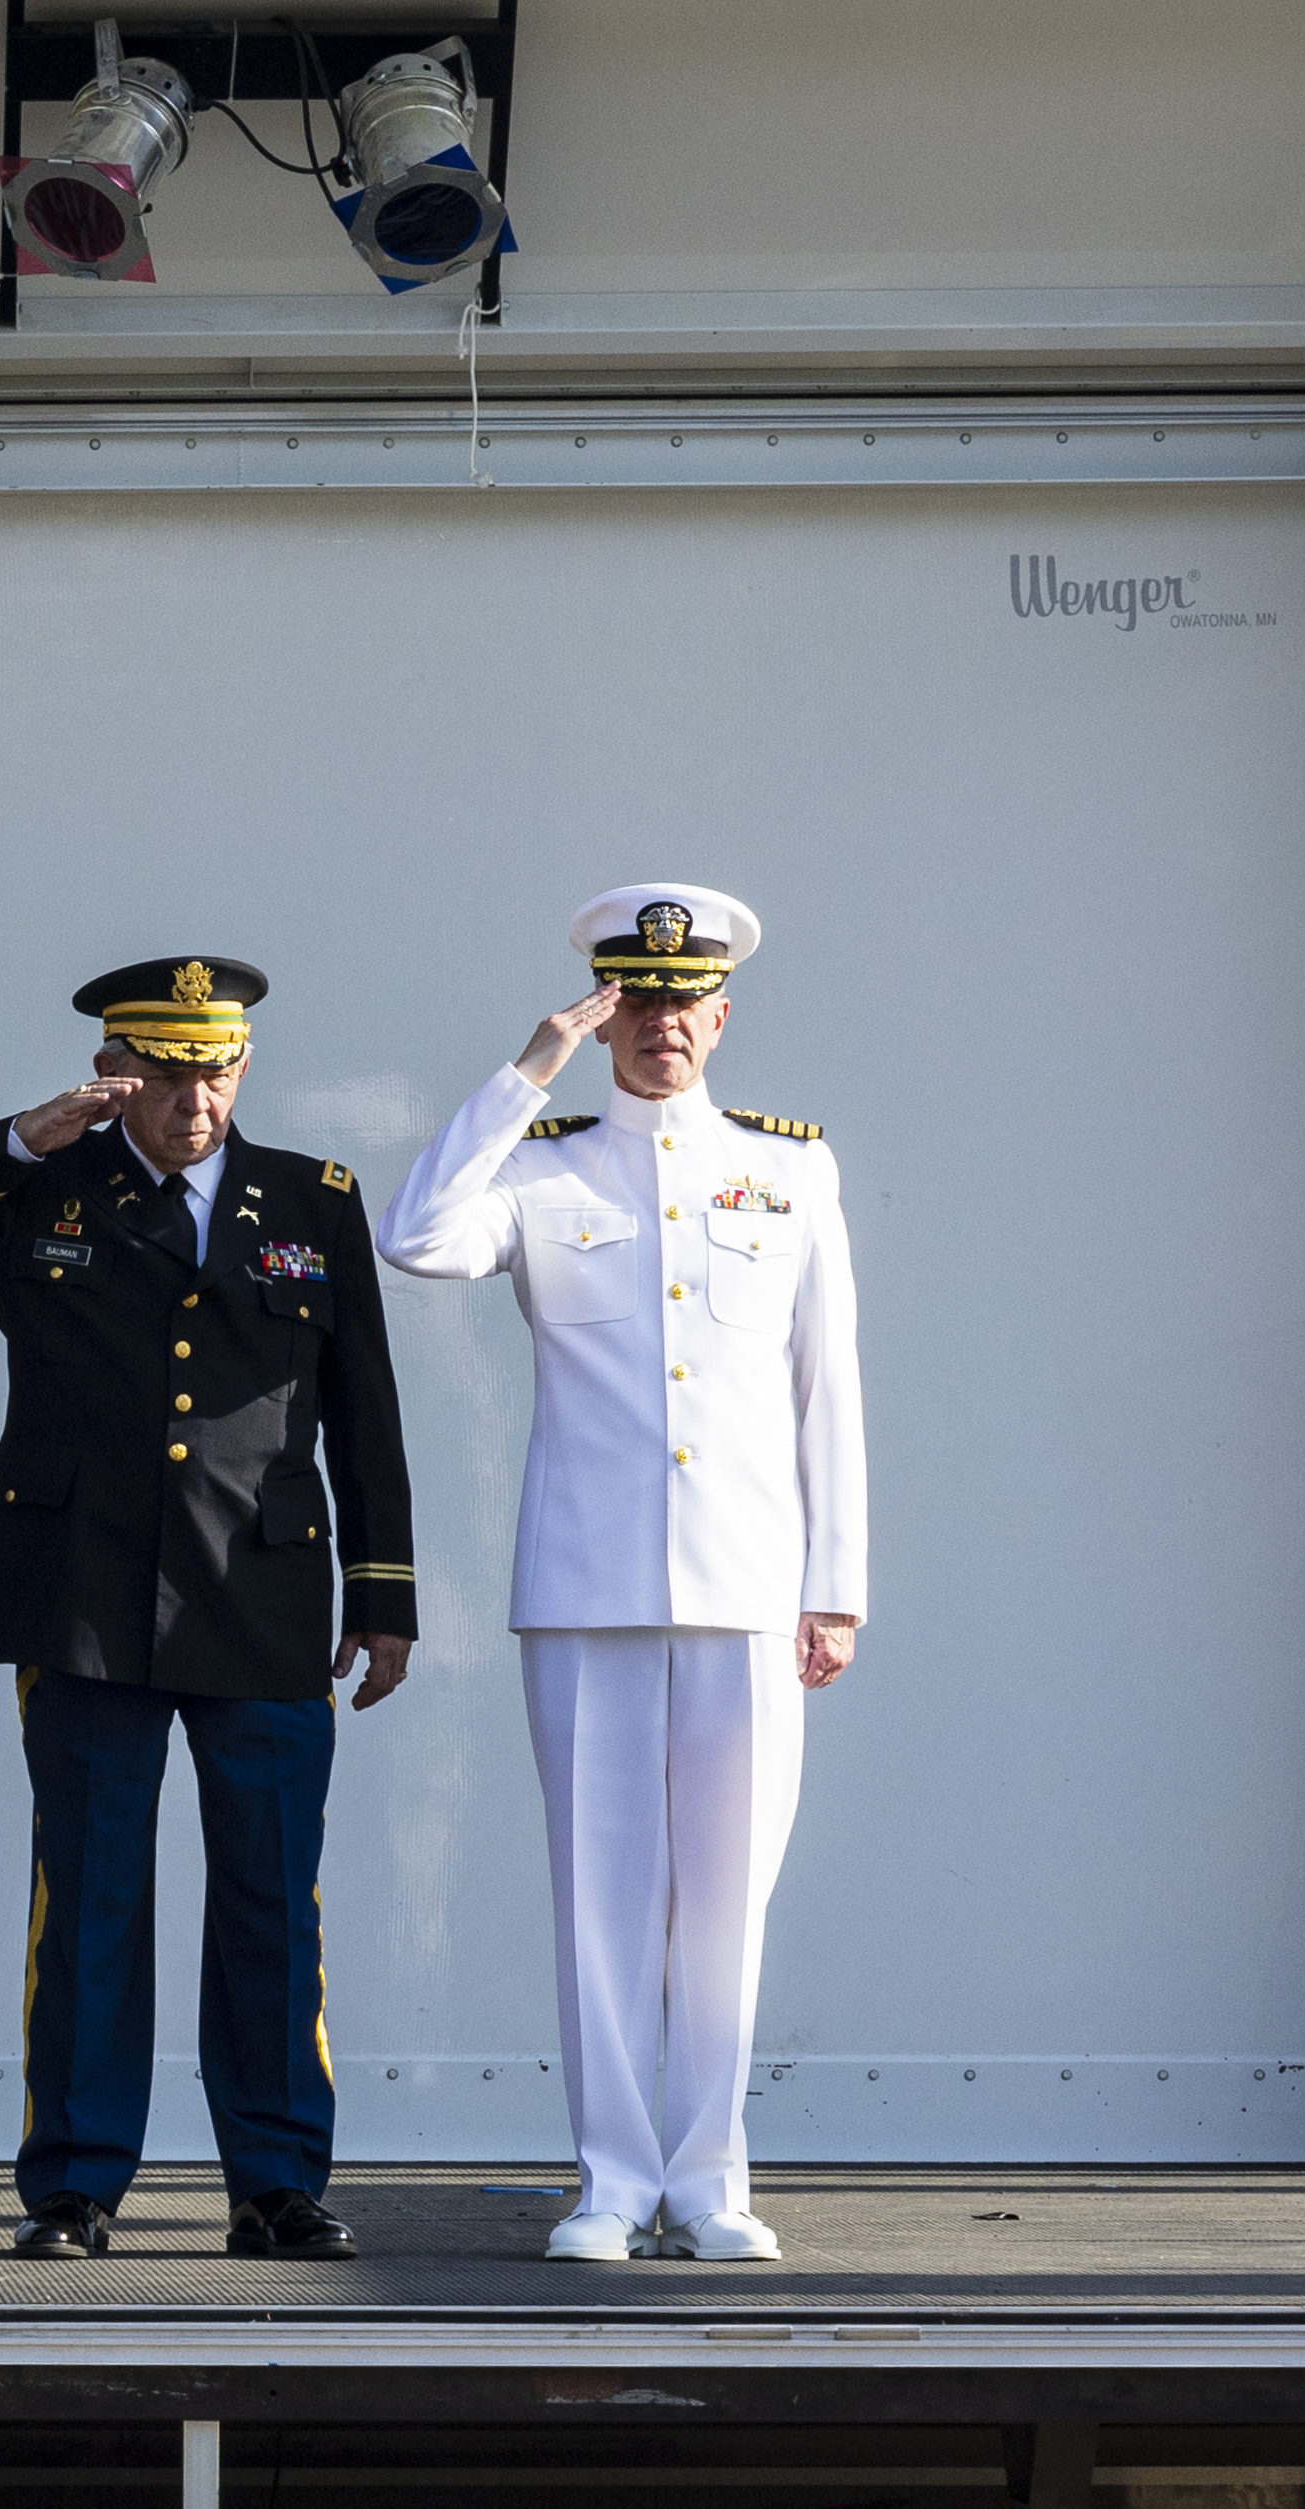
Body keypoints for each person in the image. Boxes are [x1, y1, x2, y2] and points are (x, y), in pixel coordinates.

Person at [0, 959, 416, 2260]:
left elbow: (362, 1406)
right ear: (117, 1073)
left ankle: (277, 2184)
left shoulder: (308, 1204)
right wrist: (13, 1139)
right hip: (85, 1594)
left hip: (262, 1593)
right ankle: (76, 2186)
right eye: (162, 1073)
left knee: (272, 1898)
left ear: (244, 1068)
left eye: (212, 1069)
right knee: (89, 1892)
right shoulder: (43, 1189)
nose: (190, 1098)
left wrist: (384, 1591)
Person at [378, 885, 866, 2263]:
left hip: (751, 1588)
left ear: (722, 1012)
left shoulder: (792, 1170)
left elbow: (830, 1390)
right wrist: (519, 1071)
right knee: (598, 1898)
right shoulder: (542, 1166)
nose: (662, 1026)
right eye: (634, 1004)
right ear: (606, 1021)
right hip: (587, 1587)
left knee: (727, 1900)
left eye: (683, 1002)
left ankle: (711, 2177)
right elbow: (416, 1238)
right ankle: (609, 2179)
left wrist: (835, 1583)